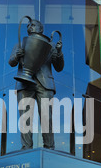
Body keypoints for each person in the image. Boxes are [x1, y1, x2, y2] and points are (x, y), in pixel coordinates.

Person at [9, 19, 64, 150]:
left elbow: (59, 67)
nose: (30, 27)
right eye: (28, 25)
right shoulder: (21, 44)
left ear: (40, 29)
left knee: (46, 117)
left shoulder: (50, 46)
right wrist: (17, 56)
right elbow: (11, 62)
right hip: (24, 83)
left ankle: (49, 147)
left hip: (44, 84)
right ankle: (26, 147)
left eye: (33, 25)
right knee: (25, 118)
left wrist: (59, 52)